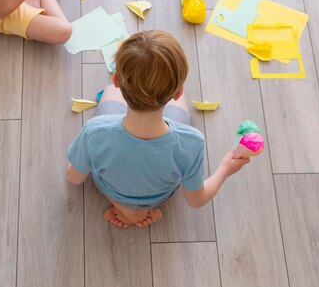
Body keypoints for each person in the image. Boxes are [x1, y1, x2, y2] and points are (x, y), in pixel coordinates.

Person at [67, 30, 250, 229]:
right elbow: (196, 200)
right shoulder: (192, 141)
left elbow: (74, 177)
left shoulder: (95, 131)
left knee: (109, 95)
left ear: (117, 80)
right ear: (178, 92)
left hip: (110, 188)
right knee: (178, 113)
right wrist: (225, 168)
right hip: (160, 196)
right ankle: (133, 209)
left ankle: (121, 204)